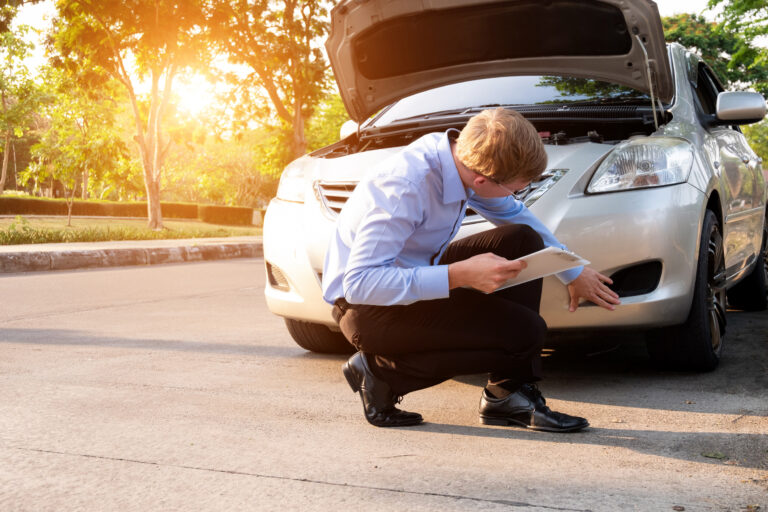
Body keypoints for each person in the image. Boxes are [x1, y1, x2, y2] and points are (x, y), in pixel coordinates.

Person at [322, 108, 620, 431]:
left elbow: (516, 215)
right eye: (515, 188)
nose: (515, 196)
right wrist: (459, 275)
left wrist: (572, 270)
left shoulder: (458, 156)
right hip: (369, 308)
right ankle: (380, 373)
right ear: (481, 180)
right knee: (527, 333)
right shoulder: (407, 189)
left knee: (523, 239)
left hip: (413, 270)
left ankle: (506, 395)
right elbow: (360, 283)